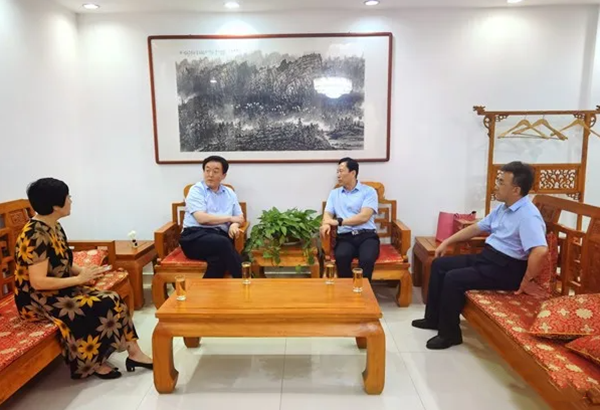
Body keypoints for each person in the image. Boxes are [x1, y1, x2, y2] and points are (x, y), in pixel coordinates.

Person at [14, 178, 153, 379]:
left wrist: (84, 272)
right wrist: (79, 280)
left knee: (112, 298)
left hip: (58, 288)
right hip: (38, 299)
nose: (70, 201)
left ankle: (134, 353)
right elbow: (38, 282)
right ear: (55, 206)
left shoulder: (53, 225)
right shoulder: (34, 235)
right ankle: (93, 364)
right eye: (67, 197)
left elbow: (62, 261)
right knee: (96, 305)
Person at [412, 161, 548, 350]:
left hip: (506, 269)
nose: (496, 186)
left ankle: (450, 335)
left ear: (516, 190)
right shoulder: (504, 207)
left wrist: (526, 280)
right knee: (439, 265)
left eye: (501, 182)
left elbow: (540, 250)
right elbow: (477, 227)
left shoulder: (528, 215)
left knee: (453, 278)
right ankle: (433, 319)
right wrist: (448, 241)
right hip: (489, 259)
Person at [179, 155, 244, 278]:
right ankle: (246, 280)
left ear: (223, 175)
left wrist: (234, 225)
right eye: (207, 170)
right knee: (223, 244)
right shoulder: (196, 190)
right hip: (194, 238)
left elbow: (239, 217)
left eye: (215, 171)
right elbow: (201, 219)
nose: (210, 175)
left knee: (218, 260)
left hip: (218, 238)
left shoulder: (229, 193)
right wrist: (230, 219)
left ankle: (205, 290)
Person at [320, 157, 380, 280]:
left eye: (341, 171)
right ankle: (347, 288)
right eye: (337, 171)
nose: (338, 175)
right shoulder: (334, 193)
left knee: (367, 259)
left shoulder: (369, 191)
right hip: (345, 237)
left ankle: (362, 288)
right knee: (342, 256)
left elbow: (364, 217)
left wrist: (339, 222)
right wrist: (326, 223)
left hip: (367, 236)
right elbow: (328, 213)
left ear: (353, 173)